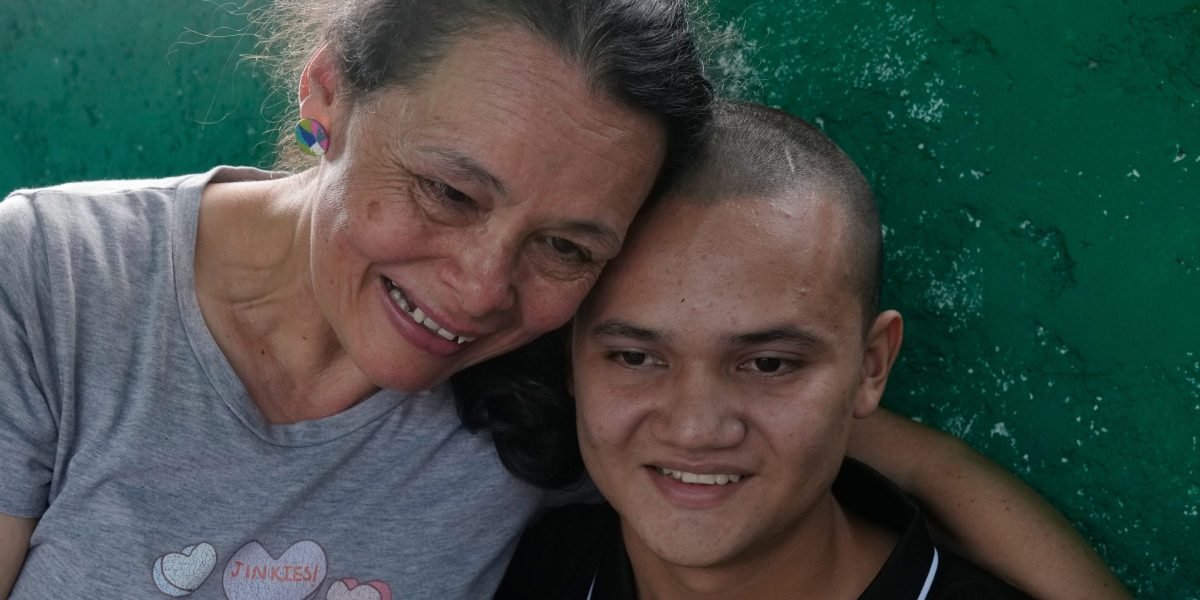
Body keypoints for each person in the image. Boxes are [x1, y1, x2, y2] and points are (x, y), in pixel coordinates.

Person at [0, 1, 1122, 598]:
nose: (481, 289)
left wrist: (896, 446)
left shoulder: (543, 382)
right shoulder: (54, 278)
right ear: (327, 95)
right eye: (448, 192)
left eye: (567, 246)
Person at [496, 101, 1130, 599]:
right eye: (635, 357)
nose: (693, 429)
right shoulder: (530, 567)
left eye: (768, 364)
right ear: (570, 355)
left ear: (871, 366)